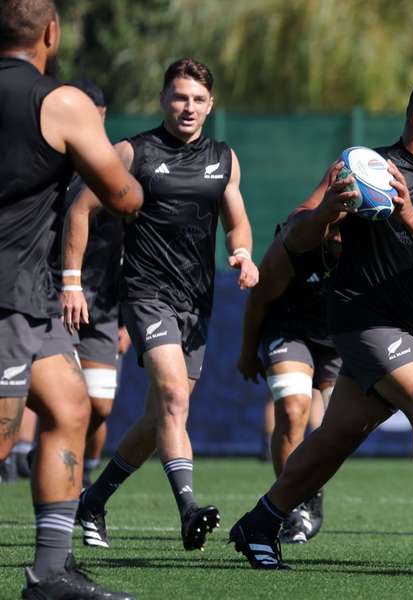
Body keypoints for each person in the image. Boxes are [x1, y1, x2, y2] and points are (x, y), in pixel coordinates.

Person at [229, 77, 413, 571]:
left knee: (336, 439)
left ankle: (260, 521)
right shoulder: (364, 167)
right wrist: (327, 214)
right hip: (361, 319)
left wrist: (408, 216)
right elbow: (294, 236)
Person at [62, 58, 259, 552]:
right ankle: (189, 507)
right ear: (163, 100)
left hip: (197, 299)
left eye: (197, 99)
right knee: (173, 396)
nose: (187, 107)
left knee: (161, 417)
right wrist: (71, 281)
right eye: (179, 97)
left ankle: (93, 501)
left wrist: (242, 252)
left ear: (211, 105)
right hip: (146, 292)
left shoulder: (224, 157)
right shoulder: (133, 152)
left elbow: (236, 218)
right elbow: (79, 209)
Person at [0, 1, 143, 597]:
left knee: (70, 409)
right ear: (51, 33)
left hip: (34, 295)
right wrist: (131, 179)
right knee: (3, 435)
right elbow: (121, 194)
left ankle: (51, 573)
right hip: (7, 293)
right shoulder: (60, 102)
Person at [237, 223, 343, 543]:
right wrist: (247, 351)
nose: (340, 235)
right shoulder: (296, 242)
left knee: (341, 426)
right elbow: (259, 298)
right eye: (335, 227)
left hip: (339, 340)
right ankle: (293, 505)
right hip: (289, 330)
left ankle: (312, 490)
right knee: (293, 408)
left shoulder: (371, 245)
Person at [51, 79, 132, 488]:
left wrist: (125, 319)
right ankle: (60, 475)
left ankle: (87, 475)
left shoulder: (117, 165)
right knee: (65, 403)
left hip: (102, 305)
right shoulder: (49, 161)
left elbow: (131, 244)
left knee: (99, 406)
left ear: (101, 116)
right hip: (50, 299)